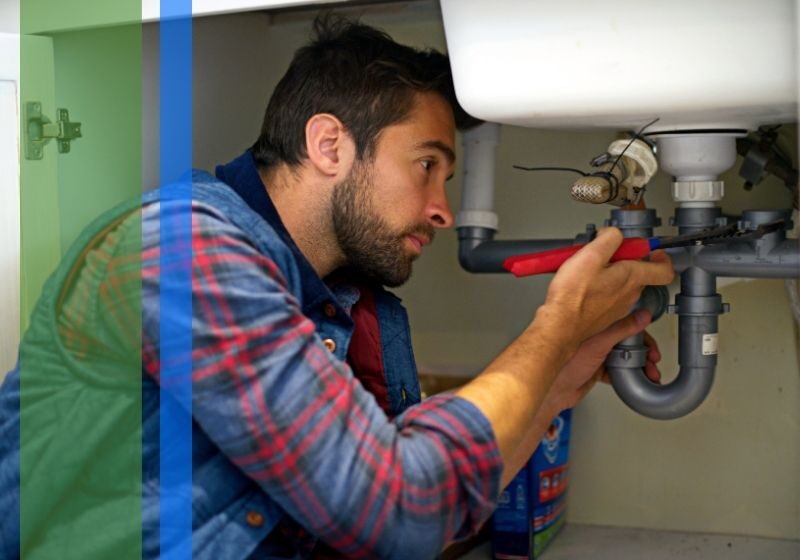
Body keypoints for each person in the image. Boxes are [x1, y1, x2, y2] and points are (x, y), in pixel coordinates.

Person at [0, 15, 673, 560]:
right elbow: (397, 510)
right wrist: (554, 328)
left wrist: (562, 376)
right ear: (329, 145)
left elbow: (429, 497)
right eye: (427, 165)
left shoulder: (348, 305)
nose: (442, 208)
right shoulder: (183, 249)